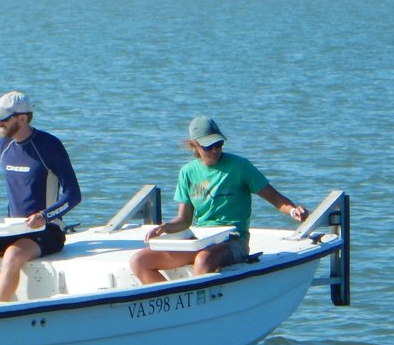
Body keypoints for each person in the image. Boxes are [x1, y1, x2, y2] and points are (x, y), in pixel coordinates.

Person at [130, 116, 308, 284]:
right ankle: (173, 306)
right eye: (208, 147)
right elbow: (183, 220)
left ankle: (199, 308)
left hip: (233, 241)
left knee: (203, 260)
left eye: (219, 144)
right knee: (139, 261)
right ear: (195, 146)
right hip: (201, 239)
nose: (215, 150)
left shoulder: (240, 166)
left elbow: (276, 199)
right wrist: (163, 228)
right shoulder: (187, 172)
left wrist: (293, 211)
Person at [0, 91, 82, 302]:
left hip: (47, 231)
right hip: (12, 228)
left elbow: (73, 194)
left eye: (3, 119)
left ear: (22, 118)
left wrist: (45, 216)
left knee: (12, 255)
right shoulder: (3, 146)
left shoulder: (49, 146)